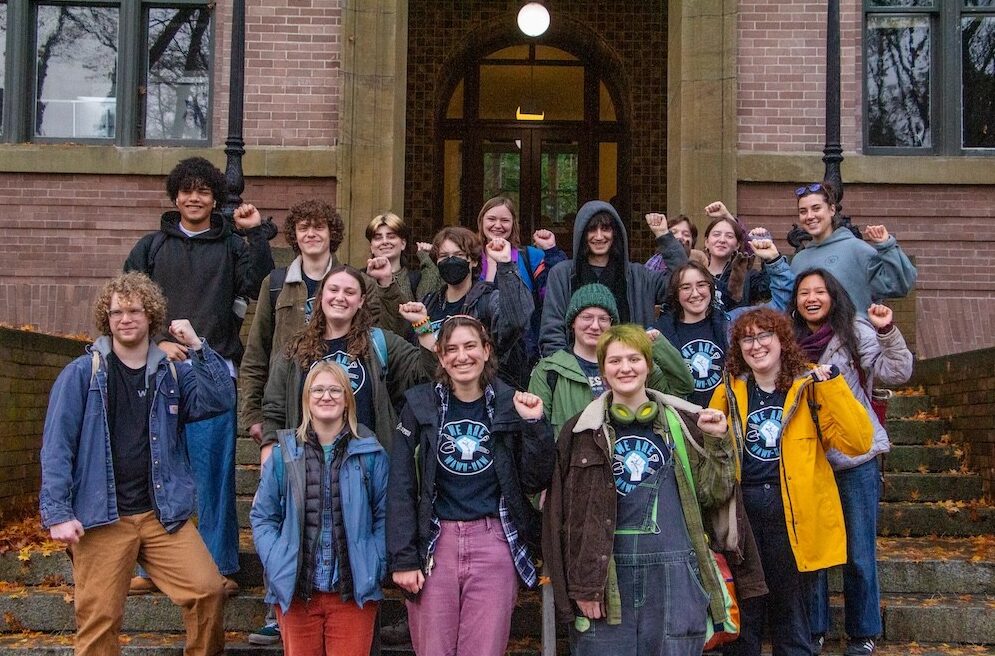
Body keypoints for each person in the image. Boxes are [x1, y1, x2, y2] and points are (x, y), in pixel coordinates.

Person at [40, 272, 234, 656]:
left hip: (161, 514)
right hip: (101, 517)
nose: (125, 318)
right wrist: (58, 512)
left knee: (208, 591)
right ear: (106, 319)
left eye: (133, 310)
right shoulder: (82, 374)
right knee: (100, 621)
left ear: (151, 316)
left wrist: (197, 345)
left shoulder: (172, 372)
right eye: (116, 312)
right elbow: (57, 447)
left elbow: (220, 398)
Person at [124, 156, 274, 592]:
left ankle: (218, 566)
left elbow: (259, 282)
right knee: (158, 469)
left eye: (203, 191)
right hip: (158, 369)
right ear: (175, 196)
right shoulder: (151, 247)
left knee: (214, 474)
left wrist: (254, 233)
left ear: (214, 199)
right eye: (186, 190)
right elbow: (127, 303)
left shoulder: (231, 246)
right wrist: (154, 342)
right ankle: (154, 567)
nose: (194, 197)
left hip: (213, 371)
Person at [542, 325, 736, 655]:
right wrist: (582, 585)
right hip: (605, 583)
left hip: (675, 584)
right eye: (615, 361)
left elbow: (713, 495)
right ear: (603, 370)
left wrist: (717, 442)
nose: (625, 368)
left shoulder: (684, 424)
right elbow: (563, 518)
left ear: (648, 365)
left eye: (634, 358)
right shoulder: (579, 432)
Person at [709, 308, 874, 656]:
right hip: (744, 517)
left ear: (782, 340)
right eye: (747, 338)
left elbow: (858, 441)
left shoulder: (810, 386)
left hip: (794, 515)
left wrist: (832, 387)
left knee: (792, 617)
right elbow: (712, 450)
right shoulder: (729, 389)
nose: (756, 345)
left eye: (764, 335)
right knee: (745, 620)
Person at [387, 315, 555, 656]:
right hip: (436, 543)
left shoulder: (511, 404)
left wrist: (536, 425)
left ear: (486, 350)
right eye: (451, 349)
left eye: (470, 346)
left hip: (493, 541)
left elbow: (535, 478)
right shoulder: (419, 406)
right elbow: (401, 486)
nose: (461, 356)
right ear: (440, 356)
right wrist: (403, 558)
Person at [790, 269, 913, 656]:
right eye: (804, 292)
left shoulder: (855, 332)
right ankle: (815, 628)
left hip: (857, 455)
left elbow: (899, 371)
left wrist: (887, 331)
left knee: (859, 552)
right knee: (813, 551)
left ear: (833, 295)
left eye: (820, 291)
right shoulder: (787, 340)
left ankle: (863, 631)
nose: (811, 298)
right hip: (810, 458)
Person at [238, 199, 343, 645]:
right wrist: (256, 421)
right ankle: (275, 602)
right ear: (294, 234)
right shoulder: (278, 284)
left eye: (319, 227)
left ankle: (334, 597)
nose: (312, 234)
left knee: (331, 512)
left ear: (331, 234)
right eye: (304, 228)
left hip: (340, 418)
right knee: (282, 513)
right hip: (288, 420)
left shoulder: (347, 282)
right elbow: (256, 355)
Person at [251, 361, 388, 656]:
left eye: (335, 390)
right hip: (298, 592)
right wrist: (276, 560)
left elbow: (385, 516)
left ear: (347, 399)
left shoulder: (370, 453)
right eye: (318, 389)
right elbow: (263, 517)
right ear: (306, 398)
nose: (327, 396)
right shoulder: (283, 454)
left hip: (351, 593)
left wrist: (374, 562)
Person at [262, 265, 437, 452]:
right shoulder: (295, 348)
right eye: (333, 290)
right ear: (321, 296)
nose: (340, 297)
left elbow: (427, 373)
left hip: (369, 465)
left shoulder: (379, 342)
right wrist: (269, 456)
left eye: (349, 292)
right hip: (307, 465)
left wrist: (422, 327)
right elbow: (274, 410)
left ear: (361, 301)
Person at [377, 226, 535, 389]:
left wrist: (505, 265)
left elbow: (516, 321)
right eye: (444, 256)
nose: (451, 261)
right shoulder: (429, 303)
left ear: (473, 261)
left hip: (482, 393)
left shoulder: (488, 300)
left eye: (459, 255)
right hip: (435, 396)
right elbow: (406, 346)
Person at [529, 283, 693, 437]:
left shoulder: (633, 369)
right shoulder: (549, 371)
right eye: (586, 317)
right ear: (572, 322)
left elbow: (682, 386)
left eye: (603, 319)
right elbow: (538, 435)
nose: (595, 326)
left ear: (612, 324)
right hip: (576, 464)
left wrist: (657, 344)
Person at [656, 231, 795, 407]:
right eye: (685, 287)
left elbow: (783, 302)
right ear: (676, 293)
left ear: (711, 288)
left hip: (729, 418)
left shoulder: (734, 322)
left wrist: (773, 261)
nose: (695, 294)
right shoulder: (659, 334)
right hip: (683, 423)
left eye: (701, 285)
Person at [540, 200, 688, 356]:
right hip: (574, 372)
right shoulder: (561, 274)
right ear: (582, 234)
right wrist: (561, 368)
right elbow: (552, 330)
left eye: (605, 229)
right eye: (592, 230)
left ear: (615, 233)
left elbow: (682, 280)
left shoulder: (639, 276)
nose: (599, 236)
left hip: (628, 370)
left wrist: (664, 236)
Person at [790, 181, 917, 317]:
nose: (809, 216)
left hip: (852, 336)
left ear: (832, 209)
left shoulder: (857, 249)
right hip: (809, 338)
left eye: (816, 208)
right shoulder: (799, 260)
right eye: (803, 211)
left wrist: (887, 246)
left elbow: (899, 286)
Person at [700, 201, 770, 312]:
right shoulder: (696, 273)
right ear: (706, 242)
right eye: (716, 234)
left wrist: (767, 254)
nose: (722, 240)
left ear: (737, 245)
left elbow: (768, 289)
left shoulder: (747, 276)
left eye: (729, 236)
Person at [365, 211, 439, 303]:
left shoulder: (415, 279)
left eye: (391, 237)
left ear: (403, 244)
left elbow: (424, 306)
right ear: (371, 247)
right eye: (378, 238)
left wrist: (428, 259)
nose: (385, 241)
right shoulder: (359, 278)